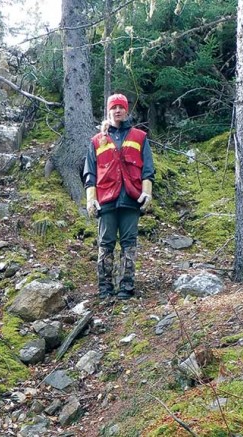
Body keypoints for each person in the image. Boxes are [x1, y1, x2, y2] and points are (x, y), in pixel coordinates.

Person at [83, 93, 155, 299]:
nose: (117, 111)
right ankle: (105, 288)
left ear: (126, 110)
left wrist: (147, 193)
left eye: (121, 107)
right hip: (106, 199)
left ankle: (126, 287)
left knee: (129, 243)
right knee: (105, 244)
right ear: (108, 110)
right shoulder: (97, 141)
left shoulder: (139, 137)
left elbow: (148, 169)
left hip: (131, 199)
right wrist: (90, 199)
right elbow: (90, 172)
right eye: (113, 107)